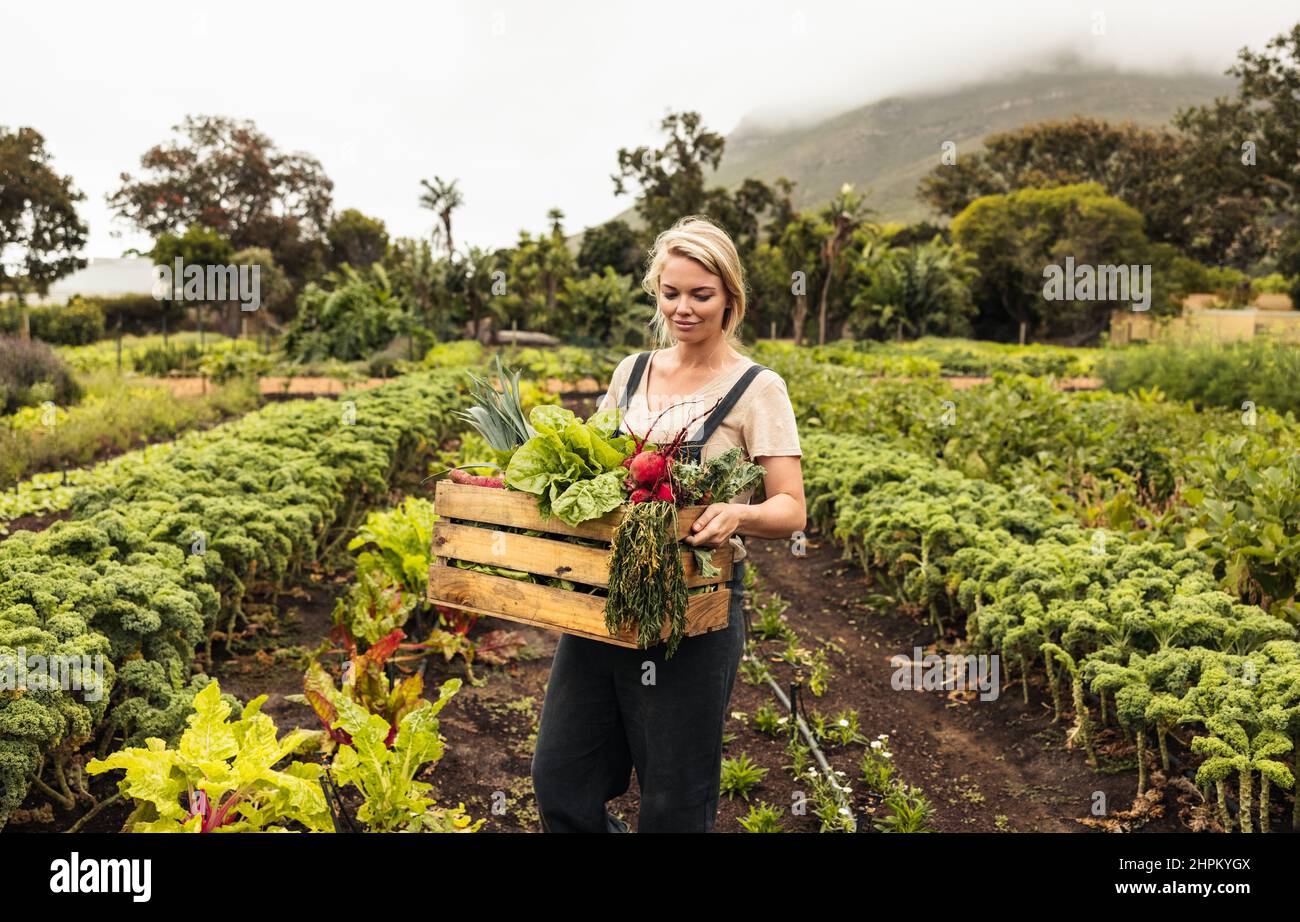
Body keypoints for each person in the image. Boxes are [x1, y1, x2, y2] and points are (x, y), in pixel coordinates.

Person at [530, 214, 807, 833]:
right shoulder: (631, 372)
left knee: (673, 801)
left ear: (731, 300)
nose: (684, 309)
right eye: (671, 293)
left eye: (701, 295)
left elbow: (792, 507)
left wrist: (738, 511)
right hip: (605, 598)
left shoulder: (757, 389)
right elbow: (596, 464)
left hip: (694, 607)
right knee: (560, 776)